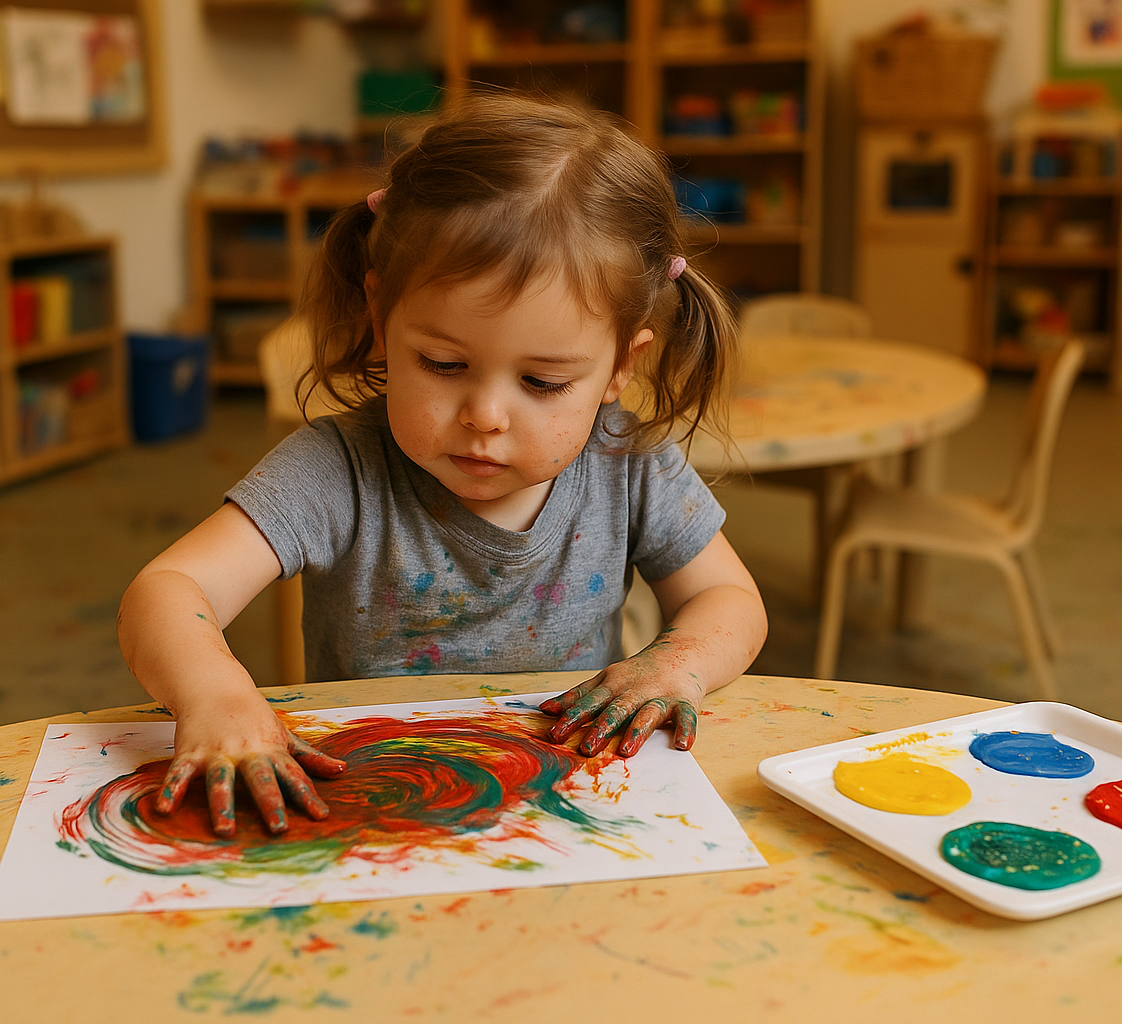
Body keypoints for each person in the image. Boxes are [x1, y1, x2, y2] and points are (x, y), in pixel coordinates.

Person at [118, 94, 768, 838]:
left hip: (568, 809)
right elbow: (167, 589)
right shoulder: (339, 469)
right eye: (443, 362)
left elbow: (730, 599)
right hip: (373, 809)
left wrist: (676, 663)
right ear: (380, 316)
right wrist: (214, 694)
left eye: (542, 383)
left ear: (622, 365)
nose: (485, 415)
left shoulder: (629, 463)